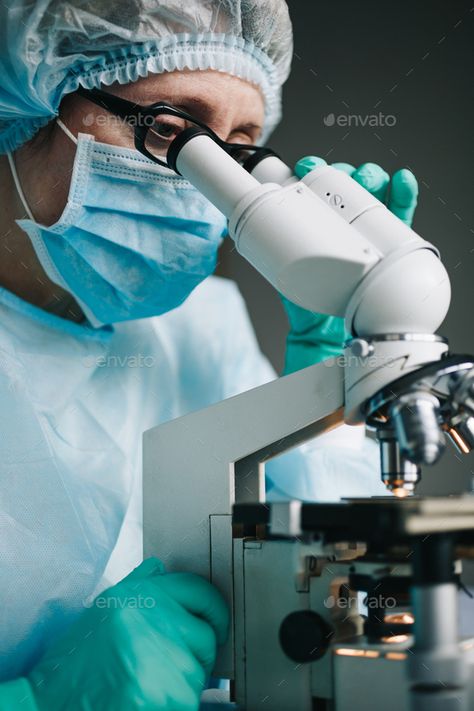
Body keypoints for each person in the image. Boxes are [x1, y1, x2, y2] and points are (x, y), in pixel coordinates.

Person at [0, 1, 419, 708]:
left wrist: (332, 377)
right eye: (169, 131)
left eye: (242, 148)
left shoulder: (205, 327)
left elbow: (325, 569)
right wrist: (37, 698)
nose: (207, 186)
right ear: (26, 109)